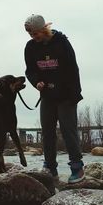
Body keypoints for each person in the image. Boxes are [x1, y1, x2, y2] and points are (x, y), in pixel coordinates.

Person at [23, 14, 85, 184]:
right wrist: (37, 82)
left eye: (35, 34)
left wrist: (74, 95)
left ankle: (77, 168)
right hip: (47, 96)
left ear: (44, 29)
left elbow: (73, 68)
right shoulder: (30, 48)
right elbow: (30, 70)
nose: (33, 38)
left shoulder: (62, 42)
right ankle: (50, 168)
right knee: (47, 132)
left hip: (66, 95)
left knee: (68, 131)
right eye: (30, 35)